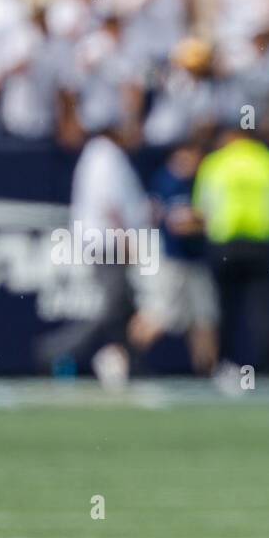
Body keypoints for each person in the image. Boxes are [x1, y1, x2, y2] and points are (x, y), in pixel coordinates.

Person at [35, 109, 150, 386]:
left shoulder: (102, 153)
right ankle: (55, 351)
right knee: (112, 306)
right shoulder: (105, 154)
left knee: (124, 304)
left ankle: (129, 362)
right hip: (107, 242)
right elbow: (109, 204)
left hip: (107, 240)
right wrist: (126, 240)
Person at [192, 127, 269, 372]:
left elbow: (203, 207)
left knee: (224, 308)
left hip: (225, 242)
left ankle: (224, 364)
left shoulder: (216, 163)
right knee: (262, 308)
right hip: (261, 242)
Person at [128, 140, 220, 375]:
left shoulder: (199, 179)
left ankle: (207, 370)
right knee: (162, 315)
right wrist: (204, 222)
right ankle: (121, 356)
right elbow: (180, 224)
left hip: (194, 259)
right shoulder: (168, 182)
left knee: (204, 316)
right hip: (171, 260)